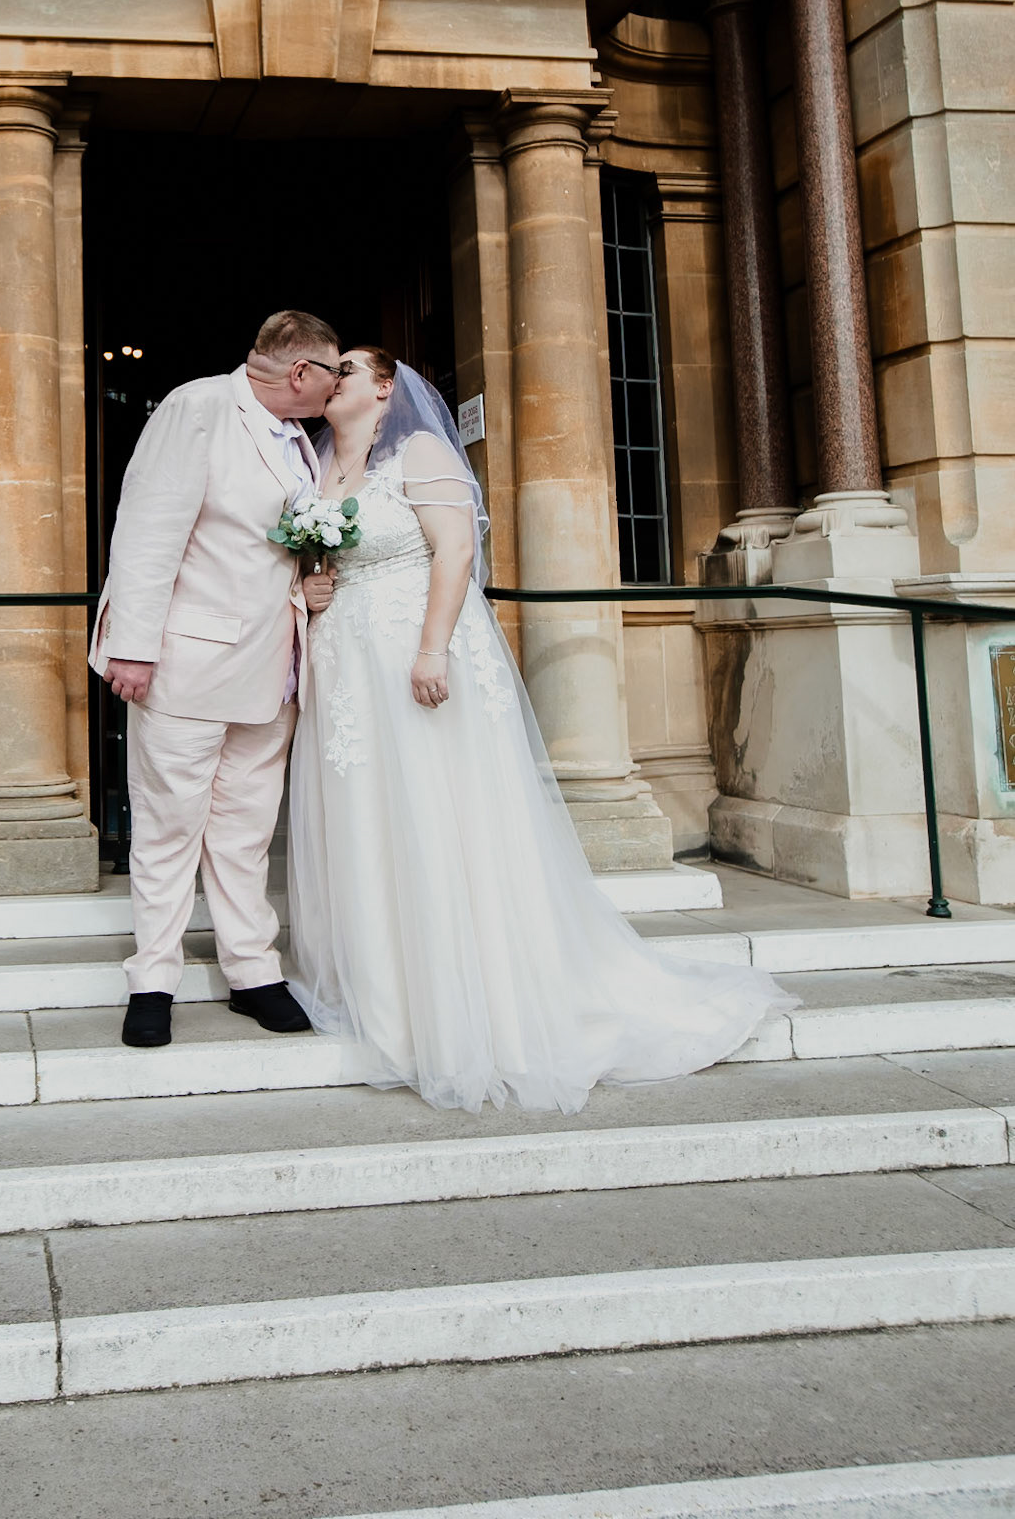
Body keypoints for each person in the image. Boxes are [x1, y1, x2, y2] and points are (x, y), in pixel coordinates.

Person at [288, 346, 792, 1113]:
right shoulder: (321, 464)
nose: (335, 379)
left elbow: (455, 550)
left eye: (349, 369)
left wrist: (431, 649)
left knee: (434, 815)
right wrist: (317, 585)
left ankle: (463, 1003)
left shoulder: (417, 450)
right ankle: (387, 996)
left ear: (385, 389)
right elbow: (328, 561)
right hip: (347, 663)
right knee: (368, 822)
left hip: (410, 653)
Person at [89, 310, 343, 1048]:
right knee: (169, 825)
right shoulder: (197, 407)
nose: (338, 386)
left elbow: (273, 549)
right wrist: (133, 647)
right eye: (333, 371)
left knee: (245, 828)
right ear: (302, 372)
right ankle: (154, 979)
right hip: (187, 663)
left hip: (274, 669)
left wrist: (308, 587)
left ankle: (251, 970)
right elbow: (147, 528)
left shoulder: (301, 439)